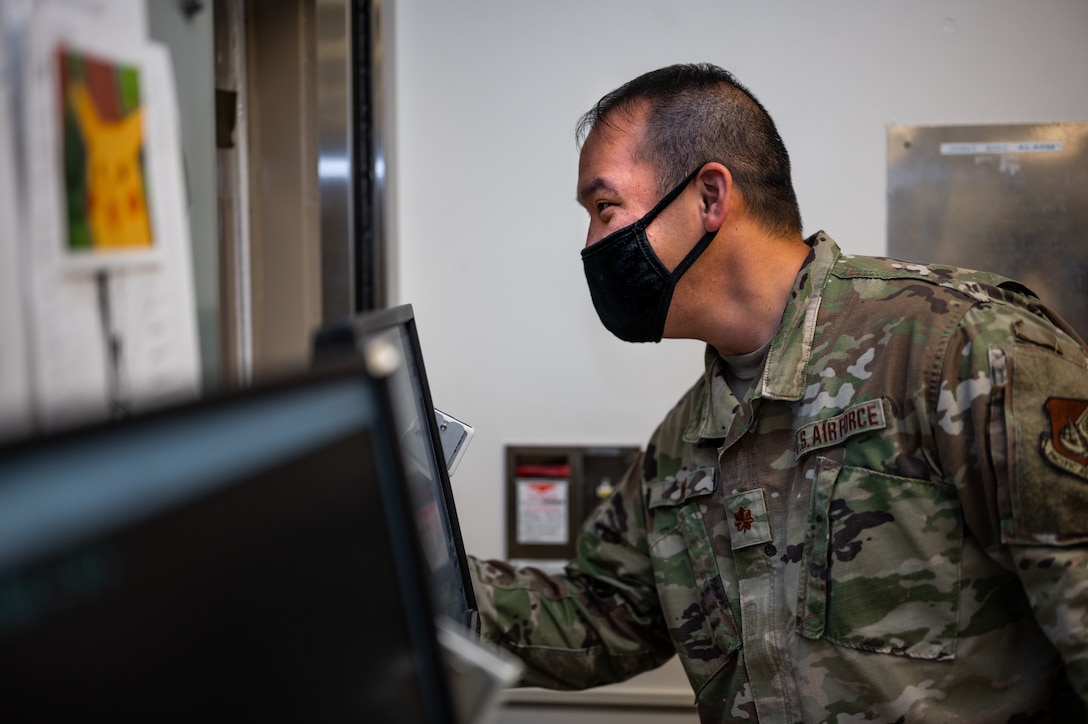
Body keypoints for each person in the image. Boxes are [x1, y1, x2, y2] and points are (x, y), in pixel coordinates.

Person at [466, 63, 1088, 722]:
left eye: (604, 208)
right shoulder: (685, 442)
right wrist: (411, 568)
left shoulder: (960, 349)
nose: (592, 244)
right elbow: (600, 616)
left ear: (709, 197)